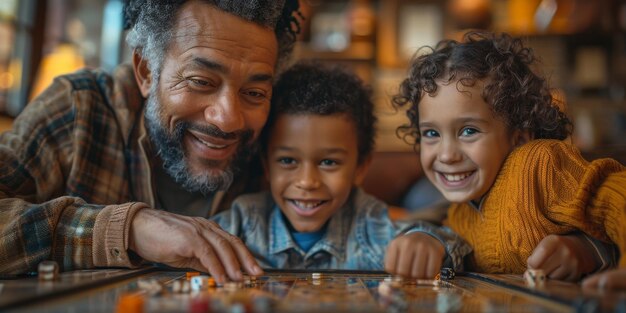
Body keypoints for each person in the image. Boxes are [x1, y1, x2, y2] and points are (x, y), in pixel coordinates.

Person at [0, 0, 302, 283]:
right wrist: (129, 229)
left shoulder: (285, 142)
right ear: (146, 71)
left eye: (254, 93)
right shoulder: (79, 109)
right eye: (201, 81)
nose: (228, 119)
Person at [392, 30, 625, 288]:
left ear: (518, 139)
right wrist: (427, 240)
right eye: (432, 133)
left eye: (469, 131)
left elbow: (617, 197)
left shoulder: (537, 165)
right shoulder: (459, 213)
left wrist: (589, 251)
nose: (447, 155)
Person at [211, 62, 470, 273]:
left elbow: (453, 245)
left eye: (328, 162)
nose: (307, 181)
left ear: (360, 168)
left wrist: (431, 243)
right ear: (267, 166)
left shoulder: (370, 225)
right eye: (288, 161)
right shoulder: (243, 222)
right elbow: (192, 248)